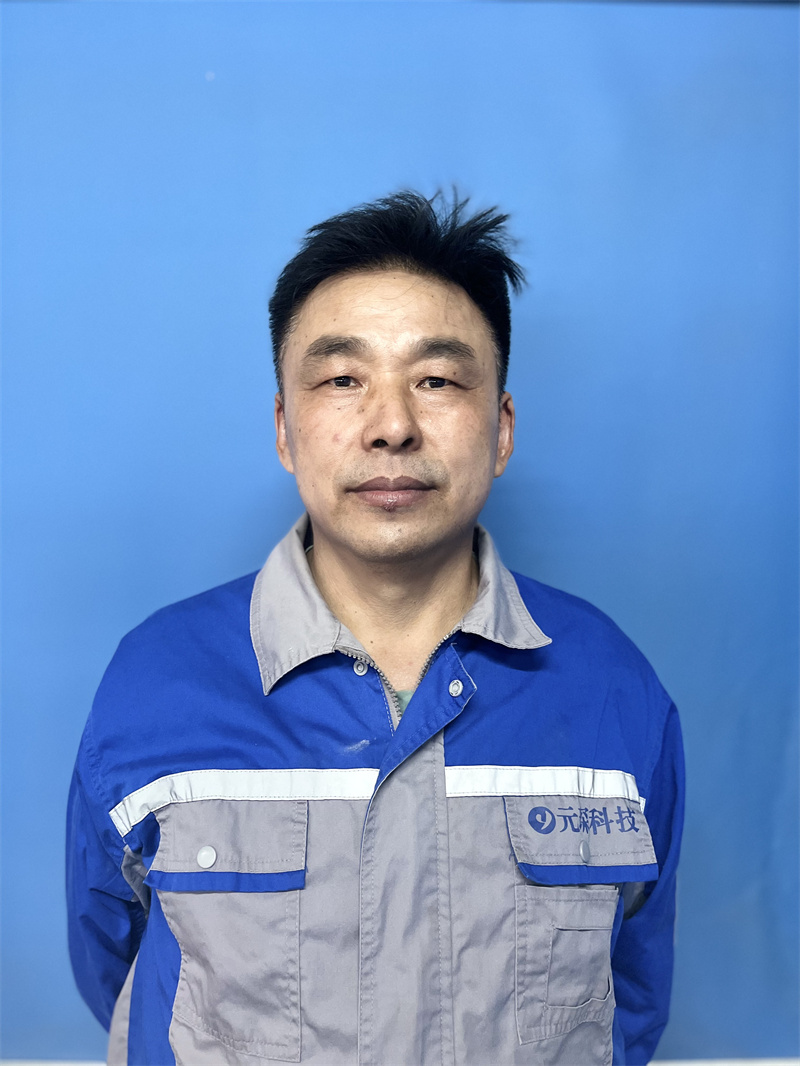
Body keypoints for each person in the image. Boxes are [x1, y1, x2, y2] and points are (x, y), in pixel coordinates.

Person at [67, 191, 684, 1066]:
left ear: (501, 430)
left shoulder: (612, 687)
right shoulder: (156, 681)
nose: (391, 426)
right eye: (342, 380)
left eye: (437, 380)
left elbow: (632, 990)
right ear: (285, 429)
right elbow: (119, 965)